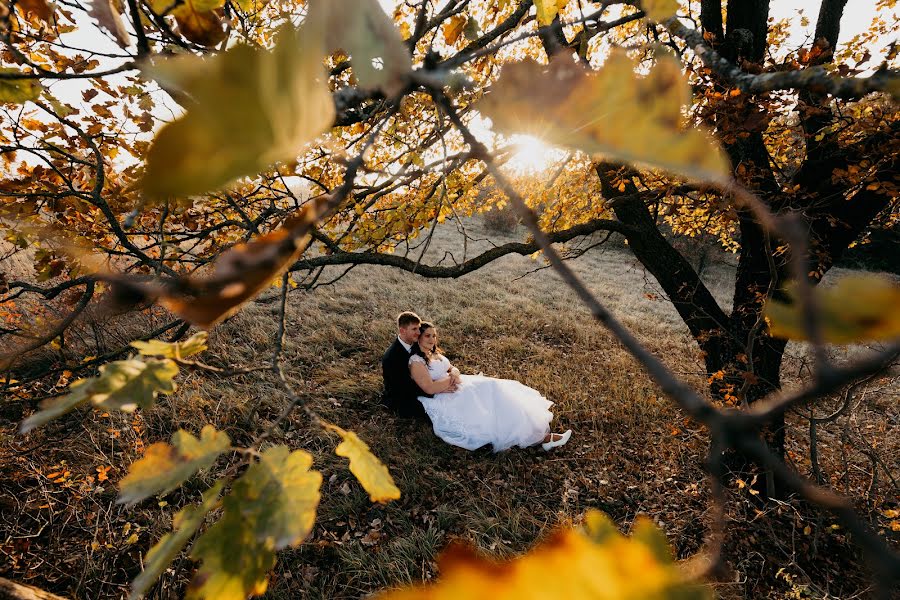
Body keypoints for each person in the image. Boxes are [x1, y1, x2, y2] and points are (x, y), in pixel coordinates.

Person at [409, 322, 572, 452]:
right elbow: (429, 388)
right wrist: (451, 380)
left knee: (494, 388)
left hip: (459, 384)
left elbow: (452, 368)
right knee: (488, 404)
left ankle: (539, 434)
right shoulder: (417, 361)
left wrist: (454, 373)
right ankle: (543, 439)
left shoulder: (434, 353)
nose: (432, 339)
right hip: (445, 395)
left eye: (434, 336)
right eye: (428, 336)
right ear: (419, 338)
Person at [381, 311, 457, 421]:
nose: (418, 332)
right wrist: (438, 389)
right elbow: (402, 387)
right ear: (402, 330)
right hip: (405, 397)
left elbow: (435, 361)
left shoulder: (418, 343)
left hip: (432, 386)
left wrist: (452, 372)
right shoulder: (392, 357)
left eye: (419, 328)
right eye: (414, 329)